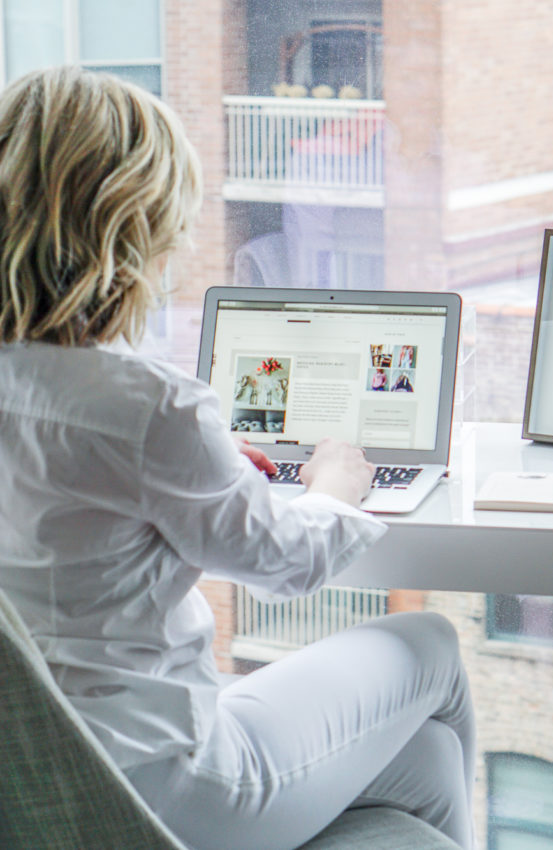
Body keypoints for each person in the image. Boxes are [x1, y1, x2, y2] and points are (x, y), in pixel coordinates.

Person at [0, 67, 477, 850]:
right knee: (430, 644)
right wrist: (334, 485)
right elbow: (283, 564)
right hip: (168, 782)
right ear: (134, 226)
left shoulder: (130, 413)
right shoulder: (149, 406)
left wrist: (204, 466)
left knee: (423, 760)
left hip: (39, 782)